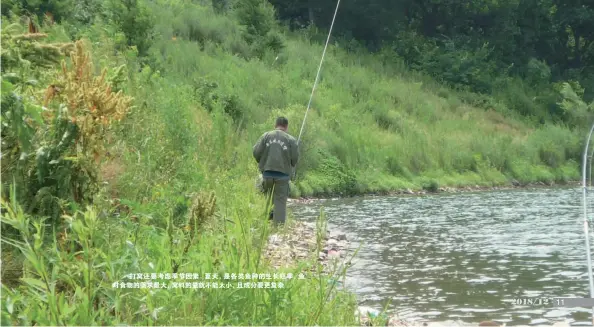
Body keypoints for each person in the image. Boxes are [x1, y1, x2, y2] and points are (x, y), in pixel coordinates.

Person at [252, 116, 299, 225]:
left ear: (275, 125)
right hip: (282, 177)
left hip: (267, 174)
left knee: (268, 199)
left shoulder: (266, 136)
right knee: (280, 202)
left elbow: (255, 152)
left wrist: (261, 161)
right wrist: (291, 163)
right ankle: (278, 228)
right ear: (286, 126)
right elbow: (295, 159)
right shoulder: (291, 140)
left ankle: (266, 224)